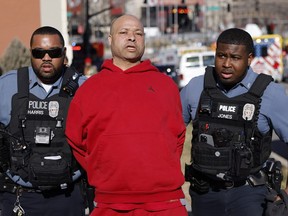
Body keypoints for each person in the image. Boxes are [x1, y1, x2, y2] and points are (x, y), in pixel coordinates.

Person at [65, 14, 188, 216]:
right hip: (109, 203)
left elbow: (178, 137)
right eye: (124, 32)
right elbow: (76, 139)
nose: (132, 37)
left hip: (166, 202)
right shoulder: (90, 89)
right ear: (110, 39)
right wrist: (103, 169)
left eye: (138, 33)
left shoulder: (166, 86)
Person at [180, 28, 288, 216]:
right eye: (221, 56)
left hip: (251, 195)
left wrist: (286, 195)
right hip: (204, 193)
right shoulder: (195, 88)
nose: (227, 64)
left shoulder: (270, 93)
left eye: (235, 58)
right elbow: (170, 135)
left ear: (249, 58)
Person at [0, 26, 87, 216]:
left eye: (53, 52)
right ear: (31, 53)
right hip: (20, 198)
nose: (46, 58)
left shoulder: (84, 88)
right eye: (39, 53)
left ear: (64, 53)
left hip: (68, 197)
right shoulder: (6, 86)